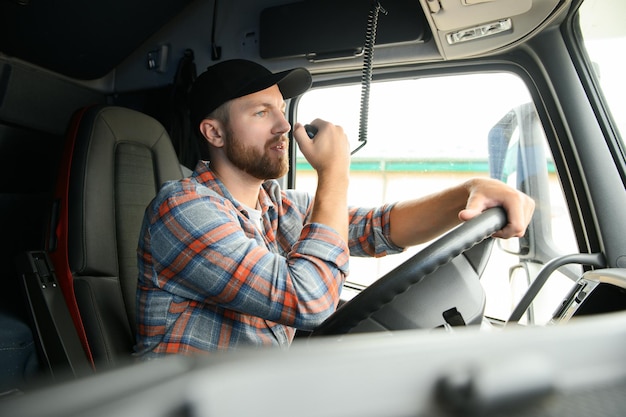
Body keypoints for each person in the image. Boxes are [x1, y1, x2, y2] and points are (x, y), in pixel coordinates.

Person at [134, 59, 534, 358]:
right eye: (261, 112)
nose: (284, 126)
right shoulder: (182, 209)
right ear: (214, 132)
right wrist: (335, 172)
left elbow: (380, 227)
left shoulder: (278, 205)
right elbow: (307, 299)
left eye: (280, 108)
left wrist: (471, 190)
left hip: (262, 392)